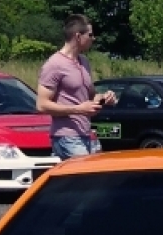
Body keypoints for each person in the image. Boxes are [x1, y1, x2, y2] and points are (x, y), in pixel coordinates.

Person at [36, 14, 116, 159]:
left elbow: (91, 97)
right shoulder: (54, 64)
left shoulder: (84, 62)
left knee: (101, 176)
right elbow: (41, 105)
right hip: (66, 137)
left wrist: (104, 98)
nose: (94, 38)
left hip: (87, 134)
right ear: (78, 36)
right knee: (87, 178)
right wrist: (78, 109)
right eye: (90, 35)